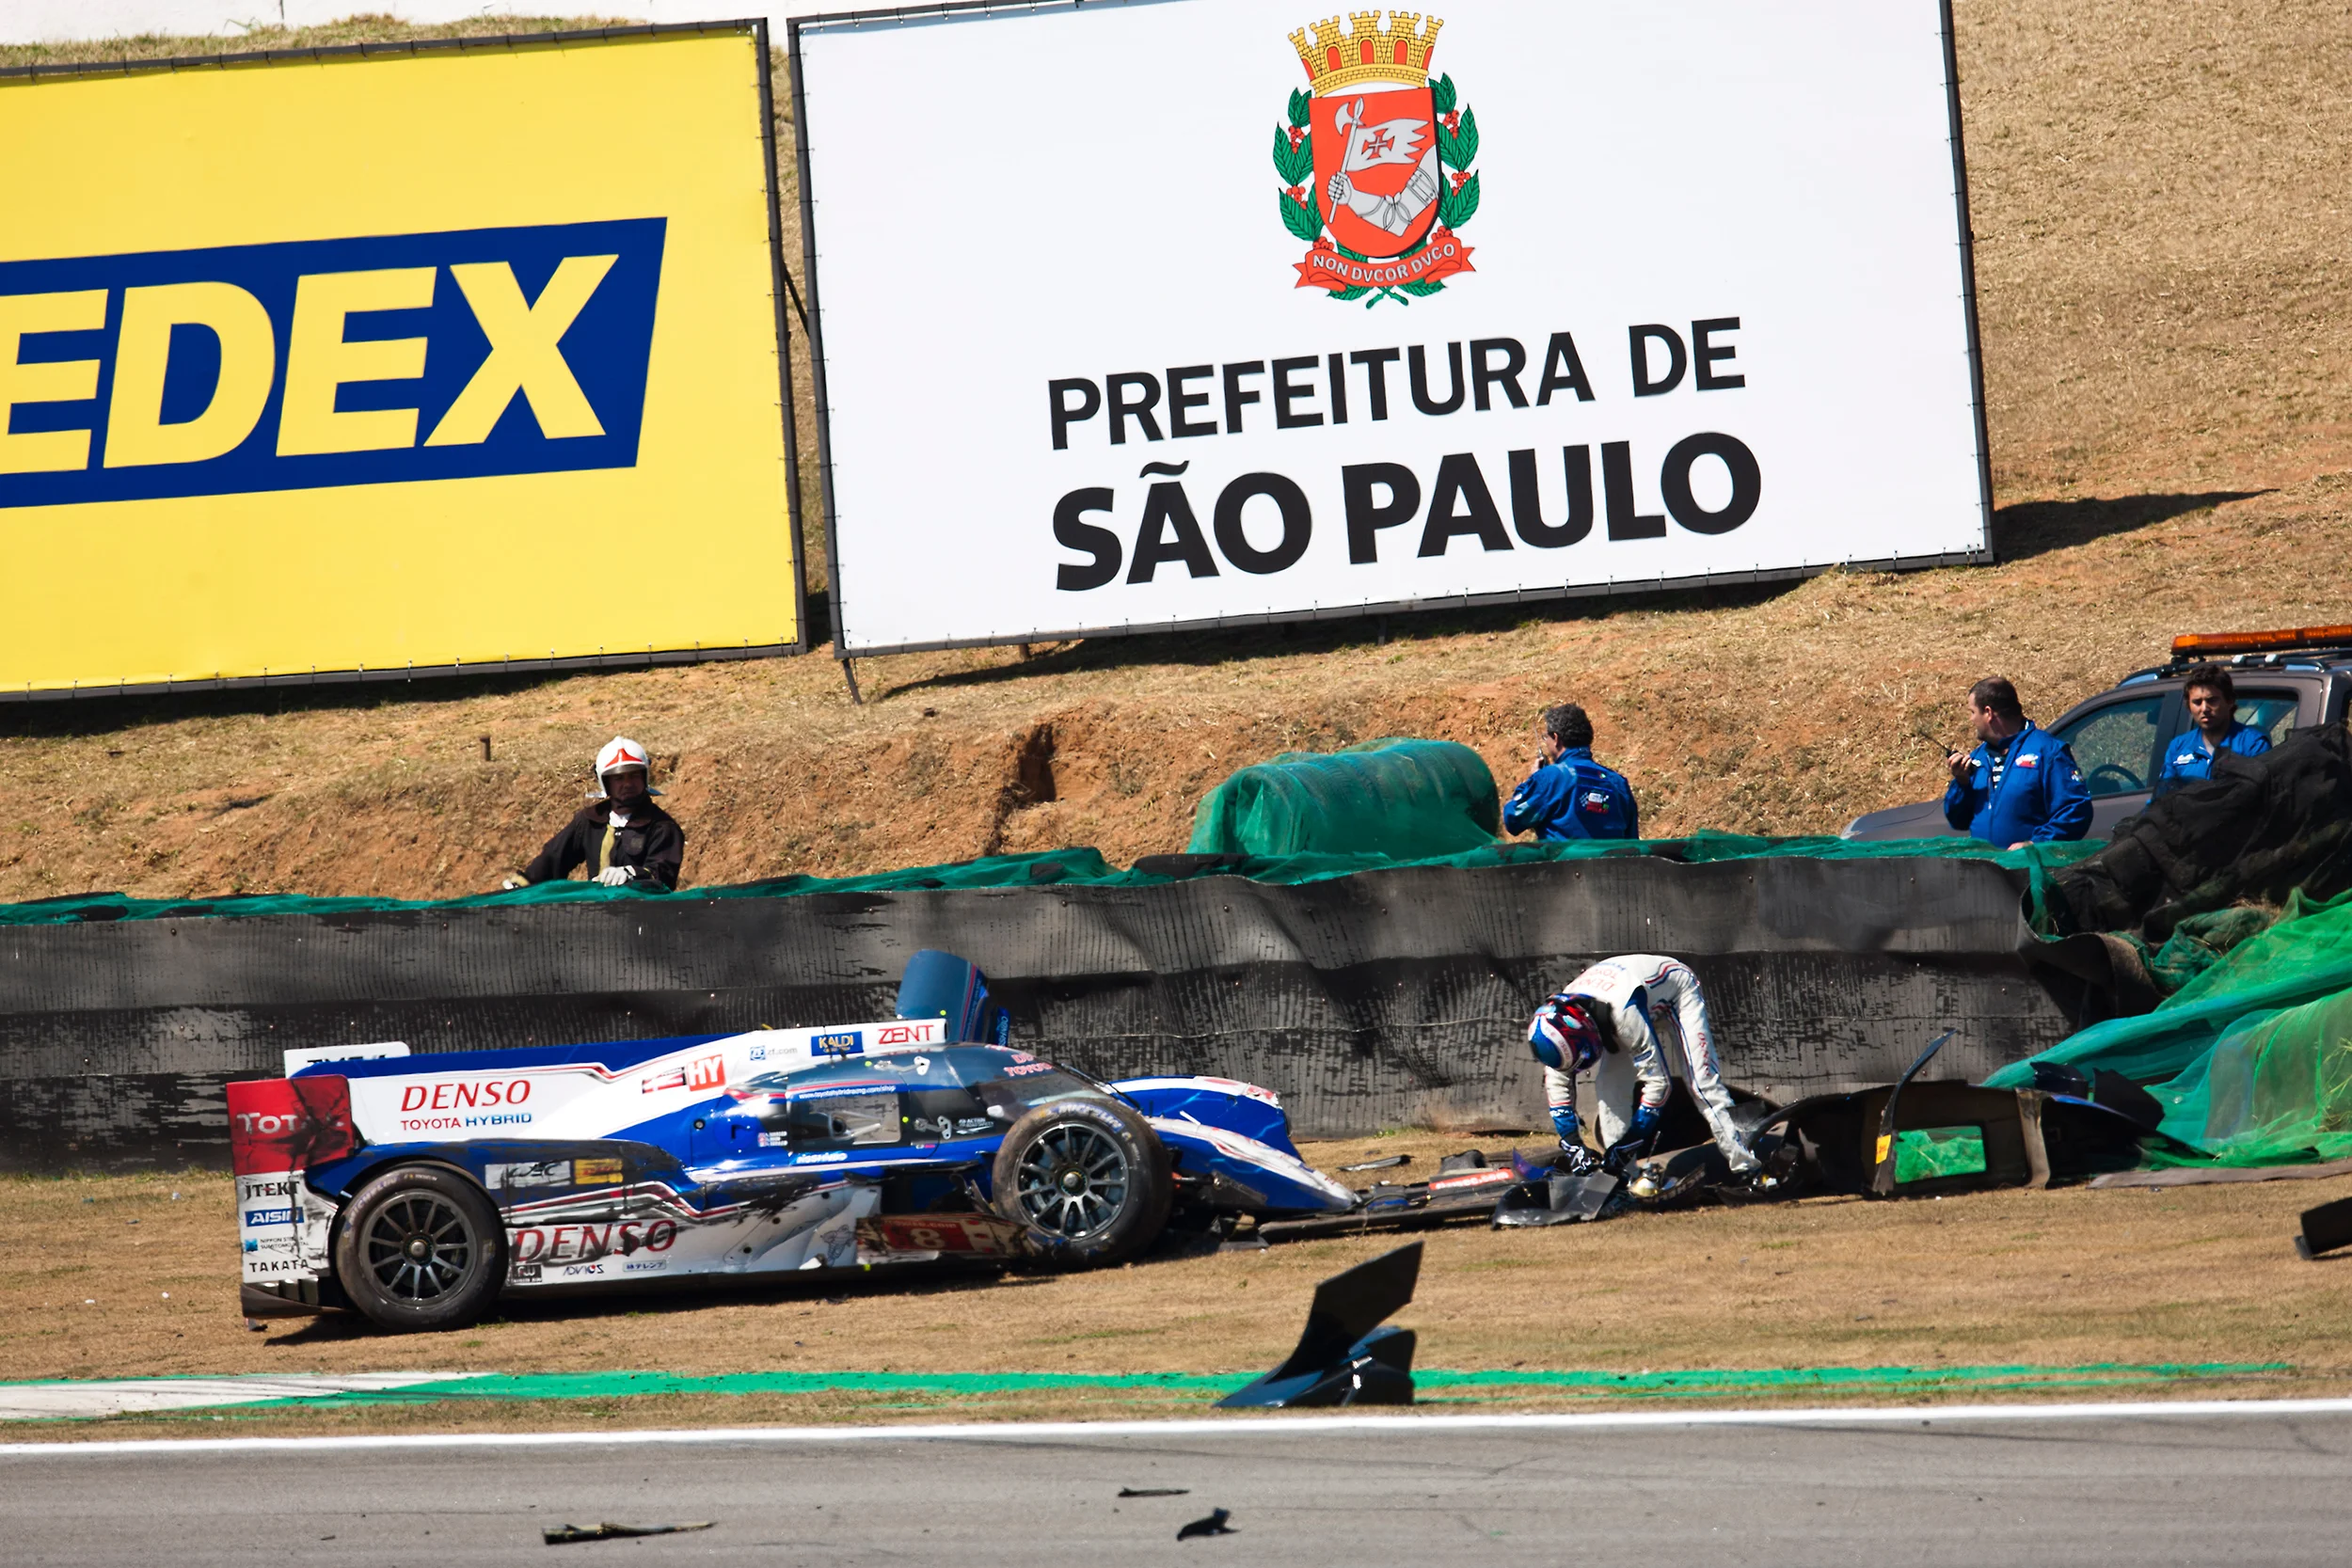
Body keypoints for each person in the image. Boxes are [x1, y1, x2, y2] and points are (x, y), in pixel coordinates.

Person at [1525, 954, 1758, 1179]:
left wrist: (1630, 1141)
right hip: (1615, 1004)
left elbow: (1659, 1084)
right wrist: (1572, 1143)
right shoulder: (1554, 1023)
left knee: (1702, 1083)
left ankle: (1747, 1165)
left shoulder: (1624, 1018)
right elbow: (1557, 1083)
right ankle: (1622, 1177)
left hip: (1675, 991)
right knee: (1609, 1088)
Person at [504, 736, 685, 891]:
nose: (627, 784)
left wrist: (631, 874)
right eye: (618, 778)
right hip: (595, 913)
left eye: (634, 776)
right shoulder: (590, 820)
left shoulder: (662, 827)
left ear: (644, 777)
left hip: (642, 914)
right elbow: (554, 857)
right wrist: (525, 883)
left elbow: (663, 873)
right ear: (605, 782)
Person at [1941, 677, 2092, 848]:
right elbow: (1958, 821)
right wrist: (1962, 784)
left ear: (1989, 713)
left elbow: (2076, 811)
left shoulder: (2048, 752)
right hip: (1985, 863)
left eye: (1972, 712)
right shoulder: (1978, 758)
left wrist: (2035, 845)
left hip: (2033, 864)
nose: (1971, 719)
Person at [1502, 703, 1639, 841]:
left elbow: (1513, 818)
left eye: (1546, 737)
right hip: (1613, 856)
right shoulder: (1619, 783)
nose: (1546, 743)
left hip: (1563, 856)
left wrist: (1531, 782)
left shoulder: (1550, 778)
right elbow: (1632, 841)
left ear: (1556, 738)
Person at [2154, 661, 2270, 794]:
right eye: (2197, 702)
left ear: (2230, 701)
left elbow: (2261, 797)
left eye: (2212, 700)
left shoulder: (2252, 744)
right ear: (2188, 706)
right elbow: (2162, 799)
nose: (2204, 708)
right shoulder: (2178, 747)